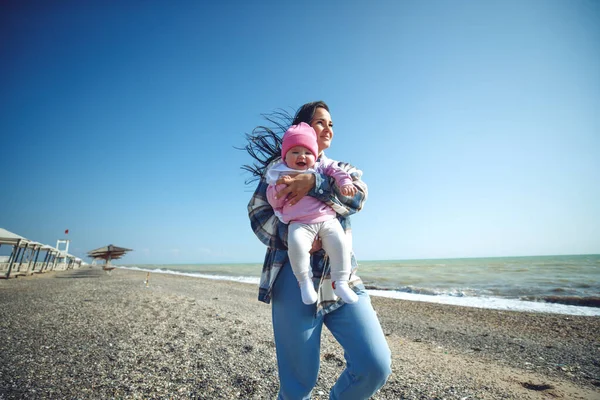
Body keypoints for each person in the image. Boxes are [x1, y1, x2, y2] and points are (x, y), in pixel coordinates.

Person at [244, 101, 391, 399]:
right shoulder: (278, 170)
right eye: (321, 122)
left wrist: (315, 182)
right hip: (292, 278)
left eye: (332, 124)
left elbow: (357, 199)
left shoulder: (340, 169)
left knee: (375, 364)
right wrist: (296, 235)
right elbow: (258, 214)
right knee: (298, 384)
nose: (328, 129)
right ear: (301, 129)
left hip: (340, 277)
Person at [266, 122, 358, 305]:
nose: (302, 156)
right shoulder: (279, 172)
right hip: (299, 222)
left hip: (327, 219)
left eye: (307, 153)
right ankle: (304, 282)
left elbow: (340, 176)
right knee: (297, 244)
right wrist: (280, 187)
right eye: (295, 152)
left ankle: (341, 282)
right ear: (285, 156)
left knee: (341, 244)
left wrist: (344, 183)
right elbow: (272, 202)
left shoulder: (321, 167)